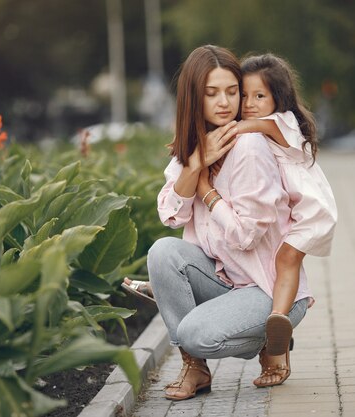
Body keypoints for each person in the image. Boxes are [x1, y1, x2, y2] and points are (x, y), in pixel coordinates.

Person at [134, 44, 313, 401]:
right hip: (224, 280)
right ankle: (195, 369)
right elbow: (171, 214)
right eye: (212, 93)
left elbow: (246, 235)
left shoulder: (249, 147)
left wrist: (206, 192)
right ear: (193, 98)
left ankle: (270, 337)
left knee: (195, 333)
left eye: (233, 91)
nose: (224, 102)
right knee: (163, 253)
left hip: (268, 291)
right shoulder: (198, 145)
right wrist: (196, 165)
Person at [227, 53, 338, 364]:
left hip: (312, 211)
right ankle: (280, 326)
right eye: (244, 95)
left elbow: (242, 128)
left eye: (259, 96)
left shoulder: (280, 122)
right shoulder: (265, 125)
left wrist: (199, 136)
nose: (248, 103)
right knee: (281, 261)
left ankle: (278, 317)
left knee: (286, 258)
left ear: (279, 98)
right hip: (298, 211)